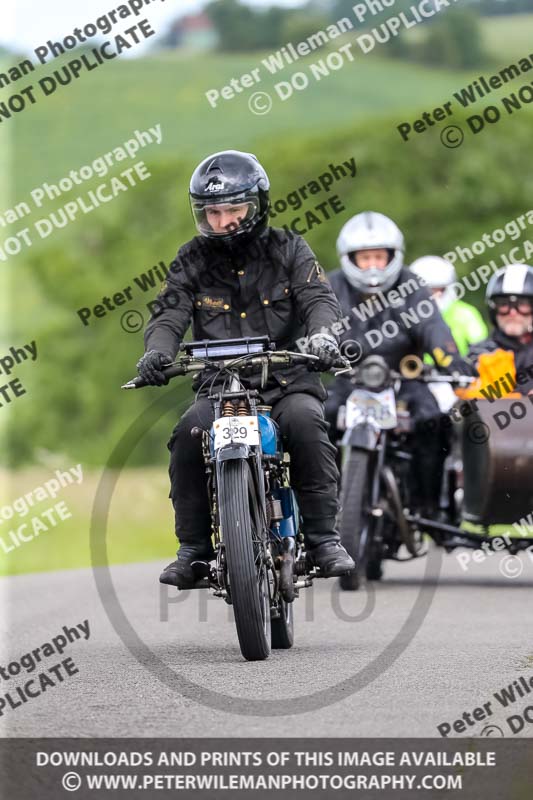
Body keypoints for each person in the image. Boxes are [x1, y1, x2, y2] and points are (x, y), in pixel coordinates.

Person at [136, 149, 354, 588]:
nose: (222, 221)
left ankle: (324, 539)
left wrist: (325, 338)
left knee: (309, 424)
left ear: (257, 204)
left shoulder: (290, 248)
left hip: (288, 381)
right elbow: (168, 314)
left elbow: (318, 300)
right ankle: (194, 551)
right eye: (212, 212)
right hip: (220, 389)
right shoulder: (189, 259)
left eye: (233, 209)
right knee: (188, 434)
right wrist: (157, 352)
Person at [326, 211, 462, 516]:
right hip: (350, 379)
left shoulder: (410, 285)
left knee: (433, 420)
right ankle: (322, 508)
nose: (373, 265)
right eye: (365, 258)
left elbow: (433, 327)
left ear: (392, 257)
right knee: (320, 421)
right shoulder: (332, 285)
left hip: (405, 378)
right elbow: (314, 327)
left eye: (379, 257)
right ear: (351, 259)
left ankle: (427, 507)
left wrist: (452, 360)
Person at [466, 263, 533, 395]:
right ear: (493, 309)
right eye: (504, 305)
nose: (513, 312)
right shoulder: (479, 355)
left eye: (522, 304)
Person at [409, 255, 488, 356]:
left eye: (438, 289)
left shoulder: (466, 313)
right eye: (426, 291)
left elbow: (481, 348)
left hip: (455, 370)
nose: (433, 296)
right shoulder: (403, 315)